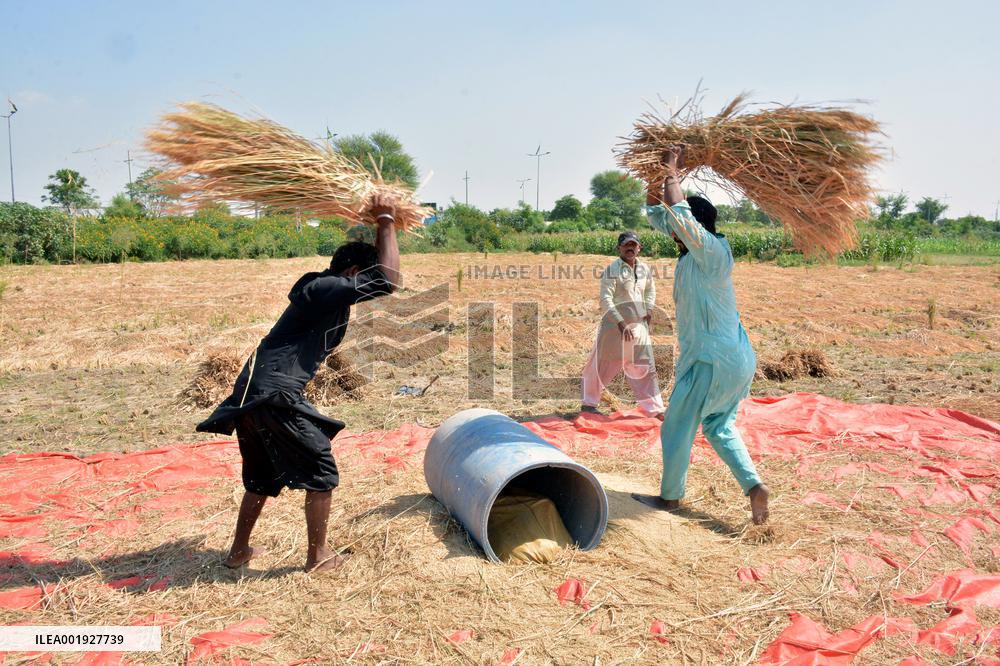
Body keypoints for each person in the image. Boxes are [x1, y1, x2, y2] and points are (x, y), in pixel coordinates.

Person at [196, 197, 401, 571]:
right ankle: (318, 557)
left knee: (261, 477)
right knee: (321, 469)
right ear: (354, 272)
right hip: (274, 392)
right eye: (362, 279)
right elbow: (388, 280)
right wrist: (386, 219)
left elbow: (381, 281)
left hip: (254, 393)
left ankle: (238, 552)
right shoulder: (325, 288)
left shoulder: (324, 294)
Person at [632, 146, 770, 524]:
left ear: (695, 225)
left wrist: (674, 171)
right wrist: (654, 174)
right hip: (733, 358)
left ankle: (671, 498)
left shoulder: (712, 253)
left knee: (677, 423)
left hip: (711, 359)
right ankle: (754, 486)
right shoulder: (694, 251)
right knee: (718, 426)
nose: (673, 232)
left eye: (682, 227)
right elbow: (661, 211)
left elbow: (678, 213)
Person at [580, 230, 665, 420]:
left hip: (638, 327)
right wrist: (619, 322)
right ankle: (588, 404)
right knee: (601, 365)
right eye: (626, 245)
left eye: (634, 245)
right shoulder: (612, 270)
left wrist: (649, 310)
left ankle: (655, 409)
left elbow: (650, 290)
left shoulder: (644, 269)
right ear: (619, 248)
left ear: (639, 248)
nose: (630, 248)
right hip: (614, 328)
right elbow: (605, 299)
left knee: (645, 367)